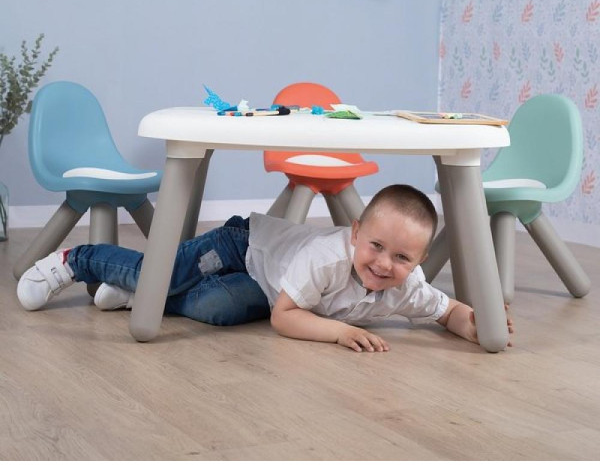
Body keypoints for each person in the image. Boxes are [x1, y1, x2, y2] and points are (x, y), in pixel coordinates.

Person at [16, 184, 513, 352]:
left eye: (402, 258)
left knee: (218, 310)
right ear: (356, 232)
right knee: (162, 274)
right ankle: (76, 260)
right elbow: (284, 317)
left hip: (269, 285)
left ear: (419, 261)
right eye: (376, 246)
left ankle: (135, 298)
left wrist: (475, 323)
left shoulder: (409, 287)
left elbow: (447, 311)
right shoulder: (327, 259)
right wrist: (340, 333)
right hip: (244, 245)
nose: (384, 264)